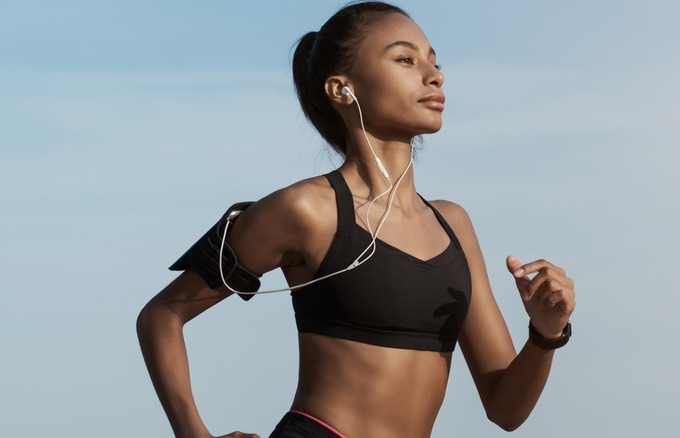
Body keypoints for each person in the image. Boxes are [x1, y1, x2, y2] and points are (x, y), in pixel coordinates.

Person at [136, 2, 576, 437]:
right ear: (342, 89)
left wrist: (545, 332)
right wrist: (193, 433)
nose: (434, 74)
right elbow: (163, 313)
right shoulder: (306, 210)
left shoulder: (453, 224)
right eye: (405, 59)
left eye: (435, 62)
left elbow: (505, 409)